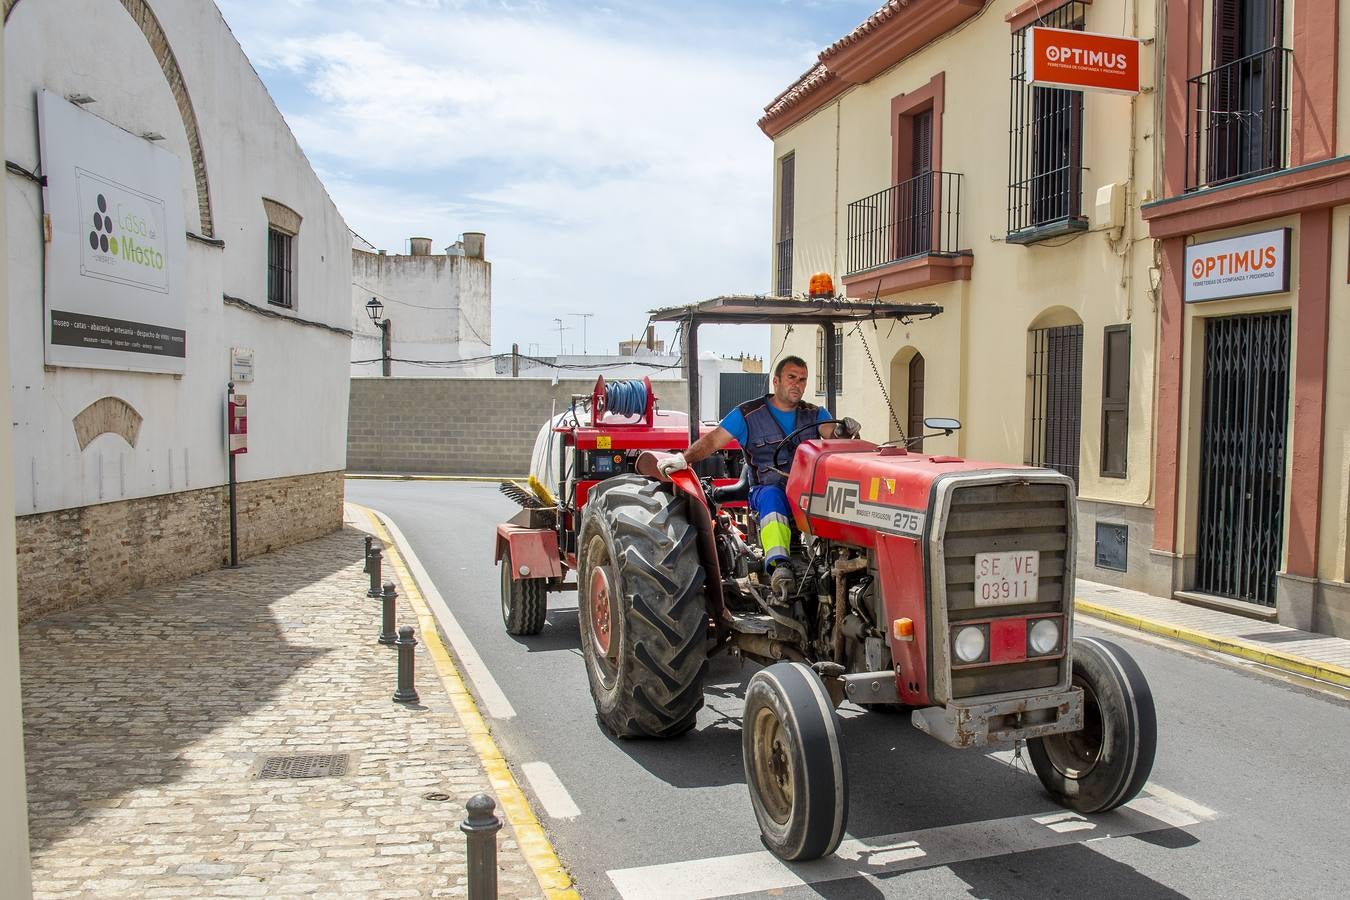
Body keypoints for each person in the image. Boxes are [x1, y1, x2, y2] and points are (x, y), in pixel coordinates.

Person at [657, 355, 837, 597]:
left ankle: (834, 564)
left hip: (809, 491)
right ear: (776, 381)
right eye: (791, 378)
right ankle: (779, 566)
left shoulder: (816, 414)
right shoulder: (748, 414)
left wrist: (846, 431)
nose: (798, 384)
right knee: (773, 499)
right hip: (768, 489)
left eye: (803, 380)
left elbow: (835, 437)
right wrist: (684, 459)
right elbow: (713, 440)